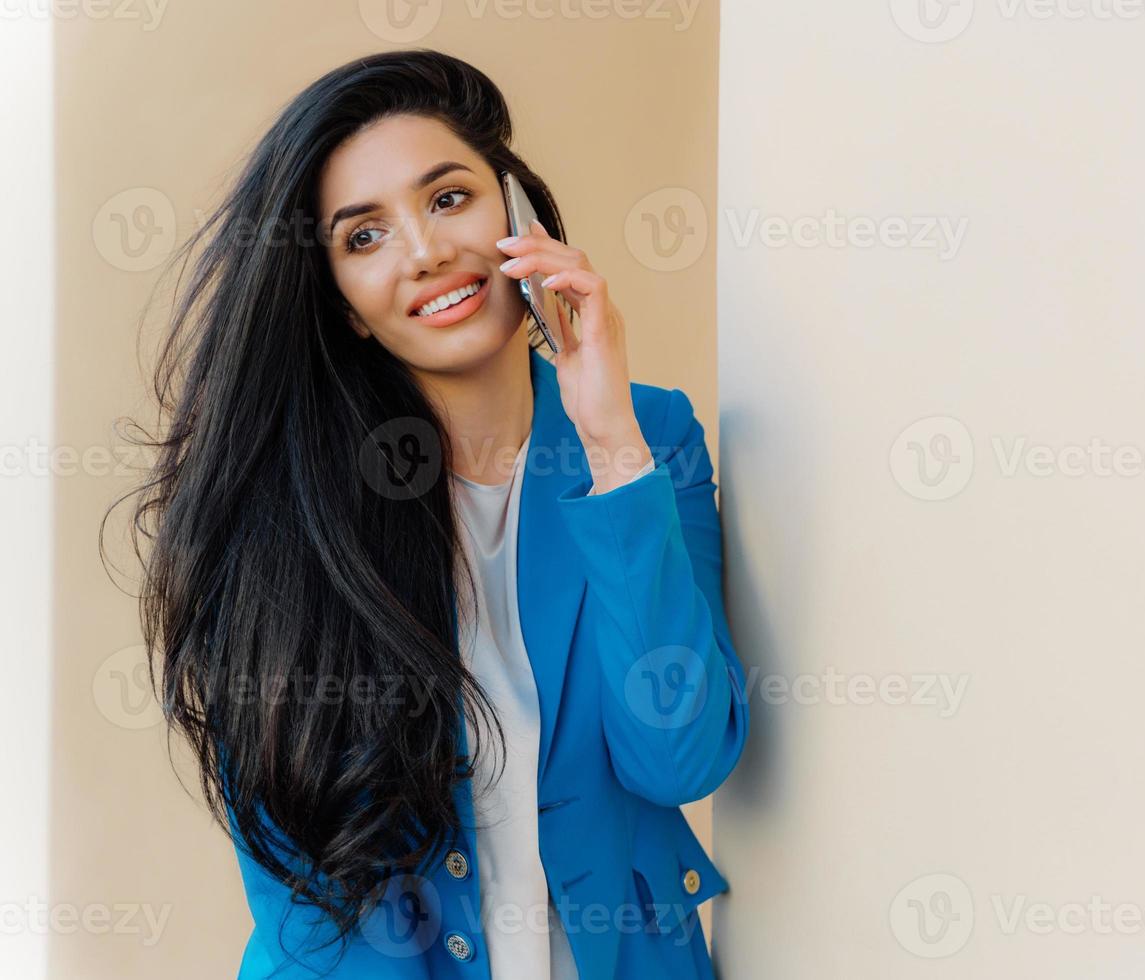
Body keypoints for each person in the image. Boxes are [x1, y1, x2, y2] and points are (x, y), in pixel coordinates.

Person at [117, 48, 748, 979]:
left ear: (518, 216)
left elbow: (679, 759)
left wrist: (607, 431)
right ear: (348, 310)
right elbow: (302, 894)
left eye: (449, 198)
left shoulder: (649, 433)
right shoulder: (282, 512)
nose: (426, 251)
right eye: (362, 236)